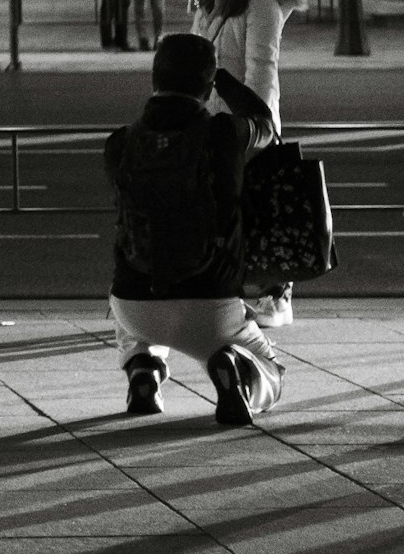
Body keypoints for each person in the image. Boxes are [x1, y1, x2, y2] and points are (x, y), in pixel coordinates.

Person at [105, 33, 282, 427]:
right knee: (271, 371)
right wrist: (226, 80)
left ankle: (143, 369)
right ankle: (235, 367)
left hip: (135, 301)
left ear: (154, 79)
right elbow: (266, 125)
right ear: (207, 83)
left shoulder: (120, 143)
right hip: (211, 301)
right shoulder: (225, 134)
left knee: (129, 302)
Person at [192, 0, 305, 134]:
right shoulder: (208, 0)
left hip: (242, 134)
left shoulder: (260, 5)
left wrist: (250, 128)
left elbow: (261, 75)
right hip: (207, 129)